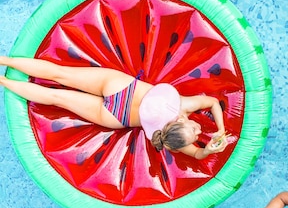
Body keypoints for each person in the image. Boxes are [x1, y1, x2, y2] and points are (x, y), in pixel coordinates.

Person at [0, 56, 227, 159]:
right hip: (116, 115)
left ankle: (4, 68)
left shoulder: (182, 106)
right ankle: (3, 79)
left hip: (120, 89)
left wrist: (209, 145)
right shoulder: (170, 141)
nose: (199, 132)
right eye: (196, 132)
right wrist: (221, 131)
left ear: (178, 123)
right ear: (178, 121)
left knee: (60, 76)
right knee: (56, 96)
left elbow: (210, 106)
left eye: (195, 133)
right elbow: (198, 151)